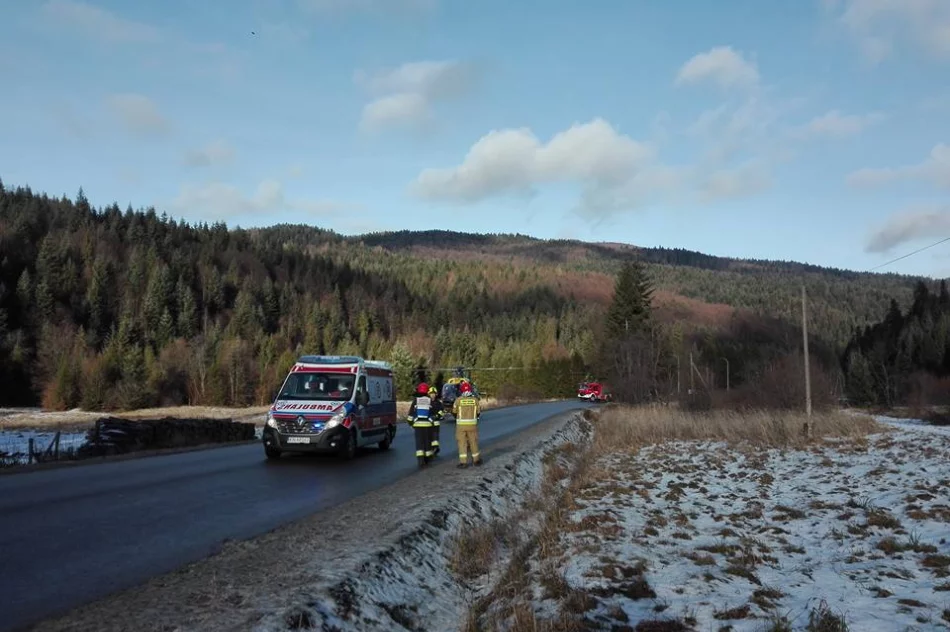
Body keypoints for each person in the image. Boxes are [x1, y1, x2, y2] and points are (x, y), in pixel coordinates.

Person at [452, 381, 482, 468]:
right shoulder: (475, 400)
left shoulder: (458, 400)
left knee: (462, 443)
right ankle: (476, 461)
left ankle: (463, 463)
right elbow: (478, 413)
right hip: (472, 425)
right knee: (473, 442)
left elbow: (454, 412)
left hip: (461, 426)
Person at [407, 382, 436, 467]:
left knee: (419, 443)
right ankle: (427, 458)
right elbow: (433, 413)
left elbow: (411, 414)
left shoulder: (415, 401)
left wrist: (410, 423)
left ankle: (420, 460)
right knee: (427, 442)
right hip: (427, 426)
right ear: (427, 391)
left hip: (418, 426)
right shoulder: (429, 400)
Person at [428, 386, 443, 455]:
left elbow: (441, 411)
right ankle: (432, 448)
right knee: (429, 436)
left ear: (436, 394)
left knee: (435, 436)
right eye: (431, 393)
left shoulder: (439, 403)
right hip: (428, 422)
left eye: (434, 393)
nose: (432, 395)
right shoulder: (426, 402)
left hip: (435, 422)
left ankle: (435, 448)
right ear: (429, 394)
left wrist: (437, 416)